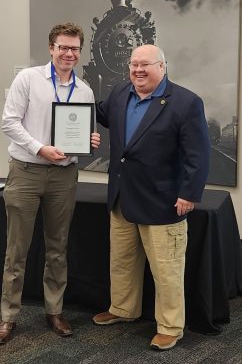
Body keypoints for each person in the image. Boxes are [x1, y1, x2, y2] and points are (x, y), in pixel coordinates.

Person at [93, 45, 210, 350]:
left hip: (163, 201)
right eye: (134, 65)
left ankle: (171, 326)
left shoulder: (185, 102)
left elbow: (198, 155)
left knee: (167, 270)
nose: (138, 70)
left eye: (145, 65)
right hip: (121, 198)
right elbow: (98, 115)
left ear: (162, 66)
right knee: (121, 262)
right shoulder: (120, 93)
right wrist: (81, 132)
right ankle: (122, 309)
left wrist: (189, 193)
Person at [0, 22, 100, 344]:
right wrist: (40, 148)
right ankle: (8, 316)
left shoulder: (85, 90)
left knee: (58, 247)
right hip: (26, 171)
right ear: (51, 48)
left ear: (80, 52)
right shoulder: (28, 79)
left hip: (64, 175)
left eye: (75, 48)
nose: (69, 53)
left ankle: (54, 311)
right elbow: (9, 122)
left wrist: (89, 140)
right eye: (63, 47)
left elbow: (83, 133)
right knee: (17, 250)